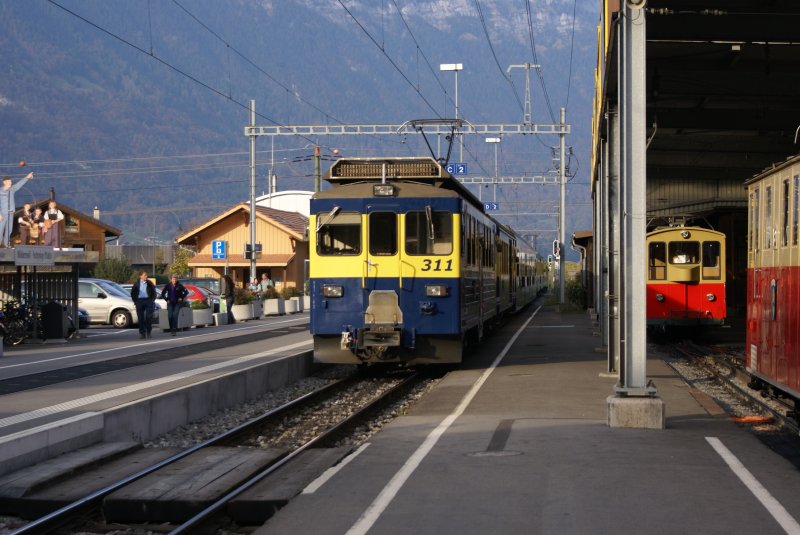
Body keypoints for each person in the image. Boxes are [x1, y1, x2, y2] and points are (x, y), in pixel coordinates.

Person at [0, 172, 33, 247]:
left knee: (9, 230)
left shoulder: (12, 189)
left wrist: (27, 177)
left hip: (10, 213)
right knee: (0, 229)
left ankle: (6, 244)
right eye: (9, 181)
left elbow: (19, 184)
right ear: (4, 182)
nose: (10, 182)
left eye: (11, 181)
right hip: (2, 214)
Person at [131, 271, 157, 339]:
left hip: (148, 301)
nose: (146, 276)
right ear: (141, 276)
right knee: (140, 318)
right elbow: (133, 293)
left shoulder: (149, 283)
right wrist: (135, 301)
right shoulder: (136, 283)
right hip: (139, 301)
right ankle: (142, 333)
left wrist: (152, 300)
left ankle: (148, 332)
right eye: (145, 275)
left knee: (148, 317)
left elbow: (154, 292)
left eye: (146, 275)